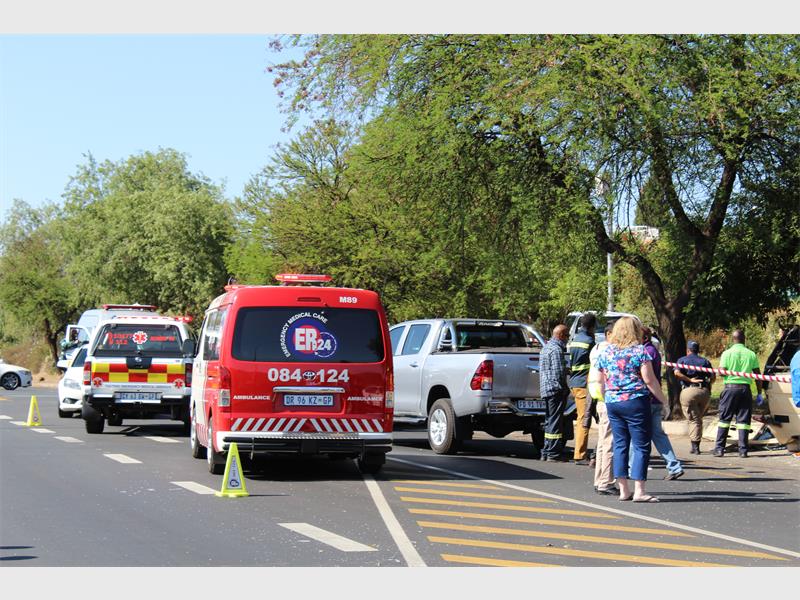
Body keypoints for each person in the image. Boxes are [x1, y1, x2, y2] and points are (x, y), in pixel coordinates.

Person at [597, 317, 667, 503]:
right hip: (635, 401)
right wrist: (664, 401)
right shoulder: (640, 351)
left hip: (613, 401)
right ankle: (639, 491)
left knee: (620, 444)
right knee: (641, 445)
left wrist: (607, 397)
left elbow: (600, 380)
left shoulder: (606, 351)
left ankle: (623, 490)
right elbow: (649, 380)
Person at [633, 327, 684, 481]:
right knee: (658, 435)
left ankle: (630, 467)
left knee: (634, 434)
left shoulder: (643, 352)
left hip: (645, 399)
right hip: (654, 399)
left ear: (642, 337)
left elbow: (646, 378)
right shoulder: (653, 350)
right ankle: (674, 466)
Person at [715, 329, 763, 458]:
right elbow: (758, 376)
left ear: (733, 339)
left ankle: (719, 449)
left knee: (724, 419)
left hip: (730, 389)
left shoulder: (727, 353)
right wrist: (759, 393)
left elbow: (722, 372)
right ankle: (743, 451)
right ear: (744, 339)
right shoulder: (751, 354)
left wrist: (723, 370)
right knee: (744, 421)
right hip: (745, 390)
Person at [588, 323, 616, 495]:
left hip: (600, 398)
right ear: (609, 334)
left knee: (603, 442)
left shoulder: (597, 348)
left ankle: (599, 480)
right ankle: (606, 482)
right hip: (608, 399)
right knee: (609, 443)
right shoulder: (608, 350)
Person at [674, 340, 716, 454]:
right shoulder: (705, 361)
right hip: (704, 392)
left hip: (689, 391)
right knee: (698, 419)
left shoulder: (682, 360)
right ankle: (695, 444)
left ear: (688, 350)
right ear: (698, 350)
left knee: (694, 420)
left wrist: (689, 379)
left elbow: (676, 373)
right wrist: (708, 385)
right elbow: (713, 376)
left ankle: (695, 447)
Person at [539, 324, 570, 462]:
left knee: (549, 420)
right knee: (555, 422)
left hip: (546, 389)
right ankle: (553, 453)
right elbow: (558, 373)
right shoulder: (556, 350)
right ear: (561, 335)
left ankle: (546, 451)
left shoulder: (545, 348)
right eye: (567, 335)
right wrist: (564, 388)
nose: (568, 338)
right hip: (555, 390)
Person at [568, 312, 596, 465]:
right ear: (592, 326)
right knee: (583, 419)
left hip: (575, 382)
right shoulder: (589, 342)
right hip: (584, 384)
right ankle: (580, 454)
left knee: (584, 417)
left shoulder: (575, 339)